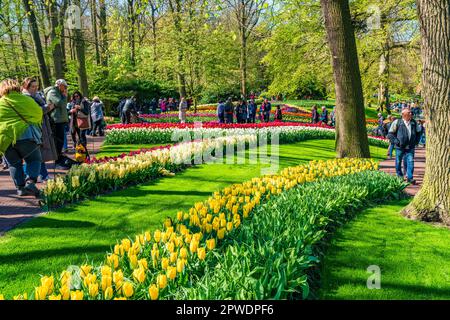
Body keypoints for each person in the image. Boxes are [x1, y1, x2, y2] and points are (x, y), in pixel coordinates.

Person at [0, 79, 43, 196]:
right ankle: (30, 182)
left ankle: (20, 189)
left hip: (5, 140)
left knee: (14, 164)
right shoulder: (26, 99)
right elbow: (39, 113)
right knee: (34, 159)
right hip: (25, 136)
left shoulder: (1, 103)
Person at [22, 77, 57, 182]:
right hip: (33, 128)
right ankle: (34, 175)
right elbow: (35, 112)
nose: (35, 88)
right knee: (34, 153)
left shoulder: (36, 96)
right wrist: (48, 108)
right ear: (26, 87)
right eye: (33, 86)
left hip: (41, 126)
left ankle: (40, 174)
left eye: (36, 86)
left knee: (38, 152)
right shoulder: (26, 98)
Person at [387, 108, 422, 184]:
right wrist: (396, 141)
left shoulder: (414, 123)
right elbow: (390, 134)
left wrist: (416, 141)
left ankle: (410, 178)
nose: (411, 114)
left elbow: (419, 132)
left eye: (411, 113)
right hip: (400, 147)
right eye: (409, 113)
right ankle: (400, 176)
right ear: (403, 115)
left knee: (410, 162)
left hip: (410, 147)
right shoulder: (397, 122)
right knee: (398, 162)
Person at [45, 79, 69, 169]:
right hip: (56, 121)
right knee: (57, 142)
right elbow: (60, 104)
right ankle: (57, 162)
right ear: (59, 85)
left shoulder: (58, 92)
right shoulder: (53, 92)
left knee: (60, 141)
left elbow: (62, 105)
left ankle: (59, 159)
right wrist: (64, 96)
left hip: (60, 120)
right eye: (64, 86)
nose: (65, 88)